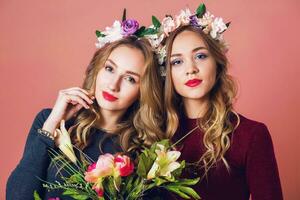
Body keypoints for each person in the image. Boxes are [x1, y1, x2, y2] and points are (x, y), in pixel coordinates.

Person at [6, 17, 165, 199]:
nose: (113, 85)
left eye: (130, 79)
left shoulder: (144, 153)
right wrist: (52, 124)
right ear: (97, 69)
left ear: (143, 91)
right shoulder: (49, 122)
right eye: (110, 69)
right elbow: (16, 195)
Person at [153, 4, 283, 200]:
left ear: (217, 63)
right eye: (177, 61)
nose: (191, 69)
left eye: (200, 56)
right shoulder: (153, 131)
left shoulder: (251, 135)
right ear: (166, 73)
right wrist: (89, 105)